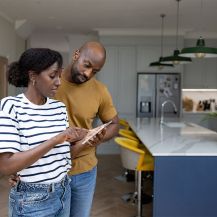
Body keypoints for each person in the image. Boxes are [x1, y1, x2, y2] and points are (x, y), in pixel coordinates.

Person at [0, 48, 87, 217]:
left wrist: (87, 141)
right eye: (52, 75)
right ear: (33, 76)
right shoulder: (11, 106)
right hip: (32, 200)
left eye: (60, 75)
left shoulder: (59, 108)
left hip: (63, 191)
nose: (59, 82)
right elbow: (6, 166)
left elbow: (60, 158)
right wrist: (56, 139)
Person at [54, 41, 119, 217]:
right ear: (76, 55)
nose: (88, 74)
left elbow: (114, 125)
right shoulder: (51, 81)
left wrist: (97, 136)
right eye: (87, 65)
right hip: (51, 171)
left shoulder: (100, 90)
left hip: (84, 172)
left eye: (95, 71)